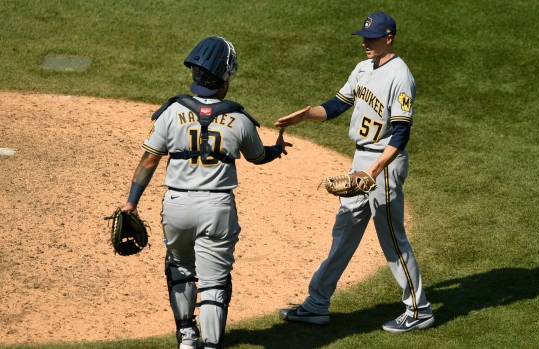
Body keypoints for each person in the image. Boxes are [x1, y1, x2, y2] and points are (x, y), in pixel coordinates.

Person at [120, 36, 292, 349]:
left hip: (177, 206)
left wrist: (132, 202)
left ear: (194, 75)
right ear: (224, 78)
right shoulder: (238, 119)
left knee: (180, 268)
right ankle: (211, 345)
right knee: (214, 283)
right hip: (217, 208)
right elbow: (258, 156)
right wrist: (276, 149)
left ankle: (187, 338)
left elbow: (149, 160)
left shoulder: (171, 112)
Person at [276, 12, 434, 332]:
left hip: (384, 164)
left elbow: (402, 134)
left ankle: (419, 310)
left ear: (388, 38)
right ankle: (317, 304)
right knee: (344, 231)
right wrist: (306, 115)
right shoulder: (363, 68)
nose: (365, 43)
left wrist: (373, 172)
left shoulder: (400, 77)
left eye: (372, 38)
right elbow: (336, 105)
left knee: (391, 237)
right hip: (361, 160)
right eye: (364, 37)